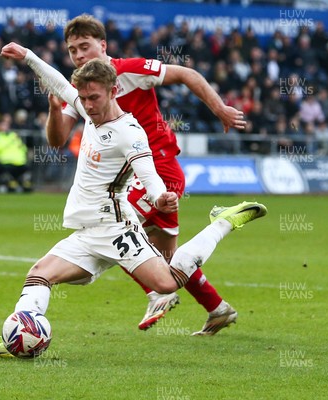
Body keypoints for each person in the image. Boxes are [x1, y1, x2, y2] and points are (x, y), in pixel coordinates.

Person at [0, 42, 266, 358]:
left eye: (94, 98)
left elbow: (148, 172)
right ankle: (19, 338)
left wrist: (159, 197)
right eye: (83, 98)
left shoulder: (129, 132)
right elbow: (58, 83)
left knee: (167, 284)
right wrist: (28, 56)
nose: (87, 105)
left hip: (116, 228)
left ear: (114, 91)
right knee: (39, 274)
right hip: (87, 231)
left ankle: (224, 222)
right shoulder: (88, 109)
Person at [45, 15, 247, 334]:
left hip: (159, 169)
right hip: (127, 181)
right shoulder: (80, 91)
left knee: (114, 228)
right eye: (73, 51)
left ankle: (155, 293)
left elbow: (186, 74)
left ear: (103, 45)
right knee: (166, 261)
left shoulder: (130, 70)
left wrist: (219, 108)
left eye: (85, 47)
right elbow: (57, 140)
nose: (79, 55)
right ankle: (217, 308)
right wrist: (55, 109)